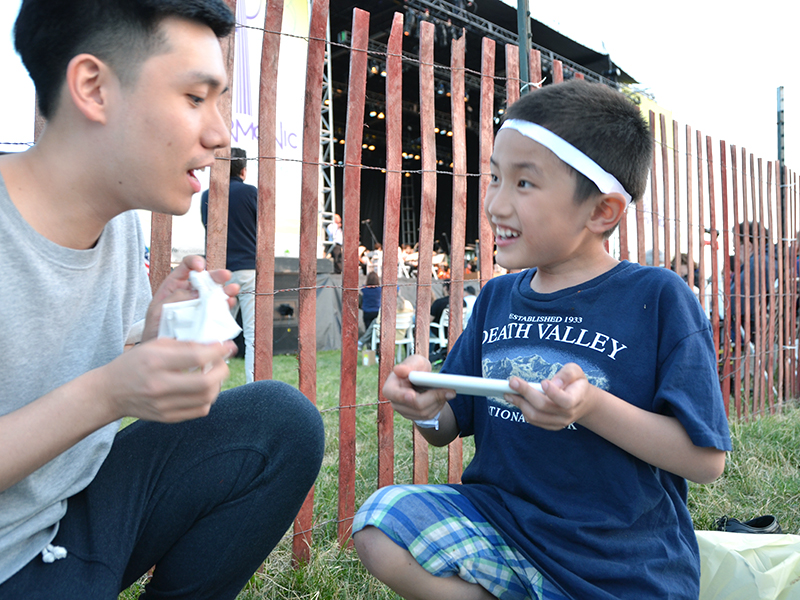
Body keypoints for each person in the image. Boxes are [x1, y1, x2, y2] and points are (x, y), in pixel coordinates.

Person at [352, 80, 731, 600]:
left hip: (619, 562)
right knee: (380, 522)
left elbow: (705, 461)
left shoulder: (658, 298)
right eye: (493, 178)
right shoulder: (496, 298)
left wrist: (591, 406)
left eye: (524, 184)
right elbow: (447, 427)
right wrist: (423, 407)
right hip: (504, 527)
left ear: (602, 211)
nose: (495, 205)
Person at [0, 2, 324, 598]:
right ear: (93, 88)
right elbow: (92, 389)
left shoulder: (115, 220)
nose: (221, 133)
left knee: (281, 423)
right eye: (196, 98)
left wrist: (152, 336)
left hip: (71, 517)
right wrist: (110, 392)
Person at [201, 147, 258, 382]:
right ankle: (254, 385)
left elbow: (208, 228)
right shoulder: (251, 193)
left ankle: (209, 382)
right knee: (253, 336)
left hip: (219, 271)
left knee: (217, 332)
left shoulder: (207, 195)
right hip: (247, 268)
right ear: (243, 170)